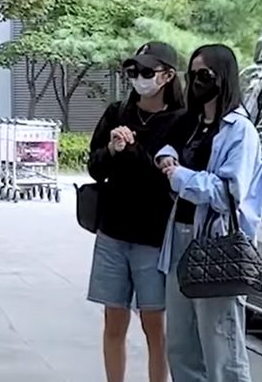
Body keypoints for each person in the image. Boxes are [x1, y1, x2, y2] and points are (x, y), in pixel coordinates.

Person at [156, 44, 262, 382]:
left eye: (203, 75)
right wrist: (166, 158)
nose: (196, 82)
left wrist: (180, 177)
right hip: (179, 238)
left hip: (217, 244)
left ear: (223, 76)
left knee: (222, 349)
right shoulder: (192, 123)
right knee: (181, 346)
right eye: (191, 75)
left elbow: (228, 193)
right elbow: (168, 145)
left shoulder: (240, 130)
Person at [87, 42, 186, 382]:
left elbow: (167, 178)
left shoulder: (180, 120)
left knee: (154, 325)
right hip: (112, 231)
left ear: (167, 76)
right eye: (132, 71)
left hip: (154, 237)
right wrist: (112, 150)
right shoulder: (117, 113)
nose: (138, 78)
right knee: (113, 321)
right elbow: (95, 168)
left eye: (146, 71)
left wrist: (134, 149)